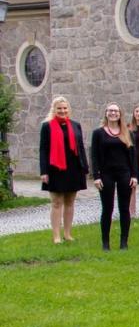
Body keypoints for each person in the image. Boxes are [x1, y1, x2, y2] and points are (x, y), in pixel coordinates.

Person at [39, 96, 89, 244]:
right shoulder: (47, 126)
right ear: (54, 109)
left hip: (73, 168)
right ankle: (56, 236)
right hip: (55, 168)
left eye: (65, 108)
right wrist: (44, 171)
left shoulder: (75, 125)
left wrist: (85, 167)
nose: (62, 111)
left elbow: (80, 147)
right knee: (56, 202)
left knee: (70, 201)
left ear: (69, 109)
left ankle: (67, 234)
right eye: (59, 108)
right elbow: (43, 150)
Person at [91, 103, 136, 251]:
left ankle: (124, 242)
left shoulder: (127, 133)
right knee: (107, 208)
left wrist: (134, 175)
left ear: (120, 114)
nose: (113, 113)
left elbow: (133, 156)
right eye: (110, 111)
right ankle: (105, 243)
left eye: (116, 111)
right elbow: (95, 156)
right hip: (106, 175)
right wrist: (96, 176)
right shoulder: (98, 133)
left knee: (124, 208)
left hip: (124, 173)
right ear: (106, 113)